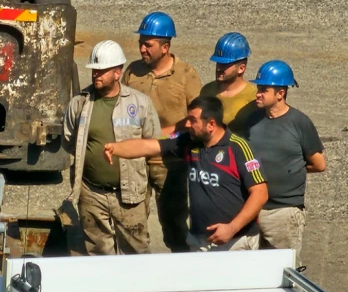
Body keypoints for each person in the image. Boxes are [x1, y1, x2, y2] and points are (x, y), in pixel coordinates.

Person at [103, 96, 268, 251]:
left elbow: (260, 194)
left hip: (235, 241)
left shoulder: (238, 148)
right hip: (199, 241)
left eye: (193, 120)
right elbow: (149, 146)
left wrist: (231, 228)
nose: (187, 124)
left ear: (211, 125)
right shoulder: (189, 142)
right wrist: (115, 148)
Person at [63, 40, 160, 255]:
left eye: (102, 71)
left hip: (130, 194)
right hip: (91, 192)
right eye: (94, 70)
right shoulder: (79, 103)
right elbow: (69, 142)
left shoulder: (140, 103)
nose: (96, 74)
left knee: (136, 252)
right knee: (97, 252)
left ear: (117, 72)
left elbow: (153, 144)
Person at [122, 11, 201, 253]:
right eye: (141, 43)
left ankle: (182, 267)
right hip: (136, 161)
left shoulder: (186, 75)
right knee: (132, 226)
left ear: (165, 47)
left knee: (175, 226)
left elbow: (195, 119)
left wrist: (157, 134)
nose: (142, 49)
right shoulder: (132, 72)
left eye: (148, 45)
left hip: (171, 163)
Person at [245, 60, 326, 263]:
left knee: (284, 270)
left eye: (264, 90)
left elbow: (319, 164)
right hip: (251, 208)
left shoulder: (300, 123)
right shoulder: (252, 121)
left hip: (283, 212)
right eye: (258, 88)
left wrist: (290, 168)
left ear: (280, 93)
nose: (258, 94)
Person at [200, 32, 258, 137]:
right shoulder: (207, 90)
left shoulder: (253, 97)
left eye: (225, 65)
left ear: (241, 68)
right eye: (218, 63)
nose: (219, 68)